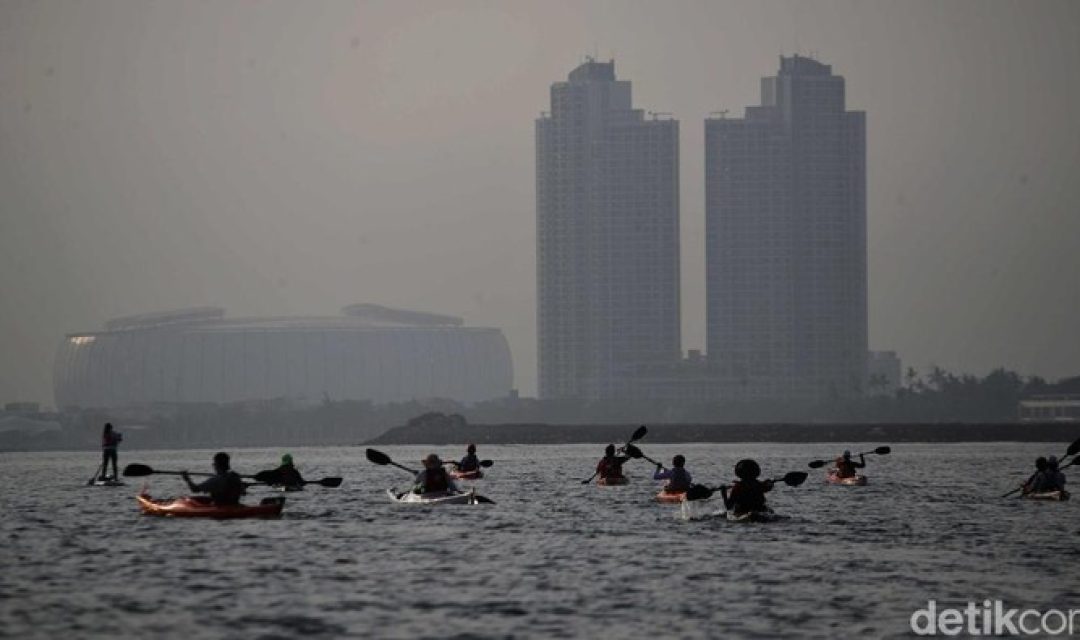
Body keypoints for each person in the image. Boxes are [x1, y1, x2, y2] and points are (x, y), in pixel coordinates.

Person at [181, 452, 246, 506]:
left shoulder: (215, 480)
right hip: (235, 505)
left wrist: (187, 479)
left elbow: (195, 489)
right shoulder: (235, 476)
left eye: (214, 463)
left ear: (217, 465)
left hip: (220, 507)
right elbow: (243, 493)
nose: (213, 465)